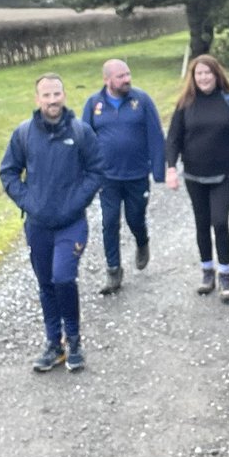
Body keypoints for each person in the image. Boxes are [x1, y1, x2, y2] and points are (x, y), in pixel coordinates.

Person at [0, 73, 104, 372]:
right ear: (37, 99)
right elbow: (8, 173)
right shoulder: (24, 134)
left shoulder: (81, 132)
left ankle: (74, 341)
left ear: (64, 95)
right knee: (46, 284)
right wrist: (29, 201)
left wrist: (75, 202)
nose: (52, 100)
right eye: (46, 96)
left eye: (56, 94)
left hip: (71, 223)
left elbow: (97, 171)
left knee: (63, 278)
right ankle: (53, 344)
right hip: (38, 225)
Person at [165, 54, 229, 302]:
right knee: (201, 224)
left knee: (220, 222)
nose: (203, 77)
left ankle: (225, 274)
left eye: (207, 73)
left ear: (216, 74)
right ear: (193, 77)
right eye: (199, 73)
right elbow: (173, 138)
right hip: (194, 174)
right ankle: (207, 272)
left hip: (224, 174)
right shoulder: (185, 103)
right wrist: (171, 168)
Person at [82, 58, 166, 294]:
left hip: (137, 174)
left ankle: (142, 241)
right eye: (121, 76)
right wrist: (85, 174)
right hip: (107, 177)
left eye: (128, 74)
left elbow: (156, 136)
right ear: (107, 80)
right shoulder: (94, 104)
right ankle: (113, 271)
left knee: (135, 218)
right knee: (109, 222)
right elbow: (84, 140)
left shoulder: (141, 100)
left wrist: (159, 171)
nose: (127, 79)